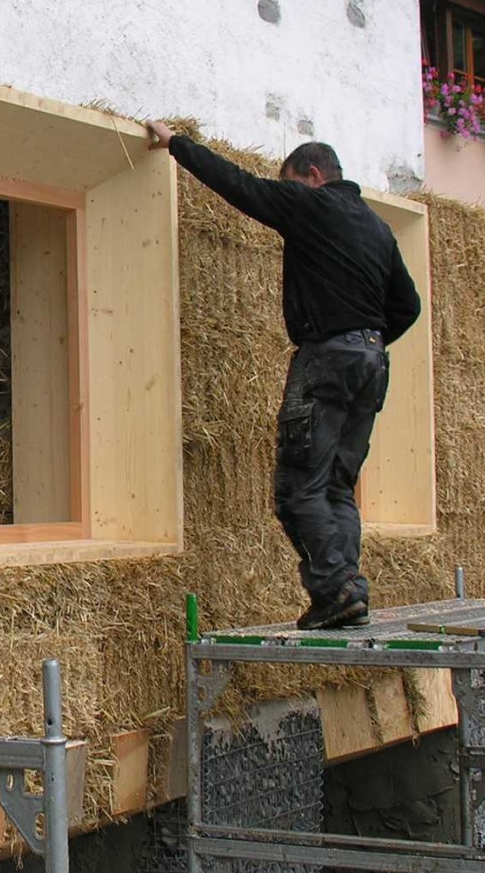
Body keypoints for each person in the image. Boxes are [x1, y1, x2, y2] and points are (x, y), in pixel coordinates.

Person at [147, 121, 421, 630]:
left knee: (298, 489)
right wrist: (367, 340)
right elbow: (408, 305)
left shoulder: (311, 205)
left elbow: (240, 186)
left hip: (326, 361)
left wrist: (176, 144)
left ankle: (335, 589)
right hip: (371, 364)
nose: (286, 192)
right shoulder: (377, 227)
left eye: (290, 181)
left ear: (313, 175)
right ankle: (349, 590)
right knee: (337, 486)